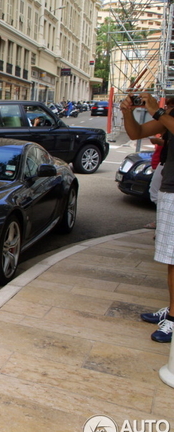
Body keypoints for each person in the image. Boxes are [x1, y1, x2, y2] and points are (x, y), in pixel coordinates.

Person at [121, 93, 174, 342]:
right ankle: (172, 309)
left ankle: (173, 318)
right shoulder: (169, 117)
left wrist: (159, 112)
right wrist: (126, 112)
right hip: (170, 189)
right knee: (170, 259)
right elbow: (136, 133)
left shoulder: (166, 115)